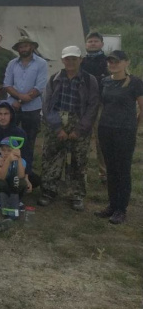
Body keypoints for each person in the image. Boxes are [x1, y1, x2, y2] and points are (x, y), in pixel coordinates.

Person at [39, 46, 99, 211]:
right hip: (56, 121)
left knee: (78, 161)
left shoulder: (89, 80)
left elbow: (93, 106)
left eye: (74, 58)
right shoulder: (54, 79)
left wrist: (79, 130)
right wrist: (58, 128)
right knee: (51, 157)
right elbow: (47, 105)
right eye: (67, 59)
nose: (70, 62)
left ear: (81, 59)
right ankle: (49, 191)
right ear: (63, 60)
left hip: (79, 122)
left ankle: (77, 195)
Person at [95, 50, 143, 224]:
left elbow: (141, 107)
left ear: (126, 62)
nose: (112, 65)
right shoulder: (105, 82)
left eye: (116, 61)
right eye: (110, 62)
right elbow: (101, 104)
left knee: (123, 170)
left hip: (125, 131)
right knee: (111, 169)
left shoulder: (135, 82)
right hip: (106, 129)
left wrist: (134, 126)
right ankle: (112, 205)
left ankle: (121, 209)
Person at [3, 36, 48, 172]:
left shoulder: (41, 63)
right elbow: (7, 84)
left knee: (29, 139)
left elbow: (39, 87)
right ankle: (10, 167)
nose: (23, 49)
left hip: (32, 108)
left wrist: (21, 100)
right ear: (18, 49)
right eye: (21, 47)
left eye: (26, 46)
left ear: (32, 47)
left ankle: (26, 169)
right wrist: (18, 98)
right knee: (10, 138)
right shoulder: (12, 63)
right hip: (13, 107)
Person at [80, 31, 108, 184]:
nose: (92, 43)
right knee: (80, 138)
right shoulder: (81, 62)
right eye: (90, 41)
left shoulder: (108, 61)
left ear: (102, 44)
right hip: (83, 105)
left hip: (101, 104)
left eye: (96, 41)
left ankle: (104, 173)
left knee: (101, 139)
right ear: (86, 44)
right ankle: (79, 171)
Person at [0, 137, 31, 209]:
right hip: (2, 184)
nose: (5, 153)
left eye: (9, 150)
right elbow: (1, 177)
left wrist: (19, 158)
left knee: (23, 183)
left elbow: (21, 176)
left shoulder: (22, 161)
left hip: (13, 184)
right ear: (0, 150)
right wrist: (8, 161)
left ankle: (17, 200)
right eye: (3, 150)